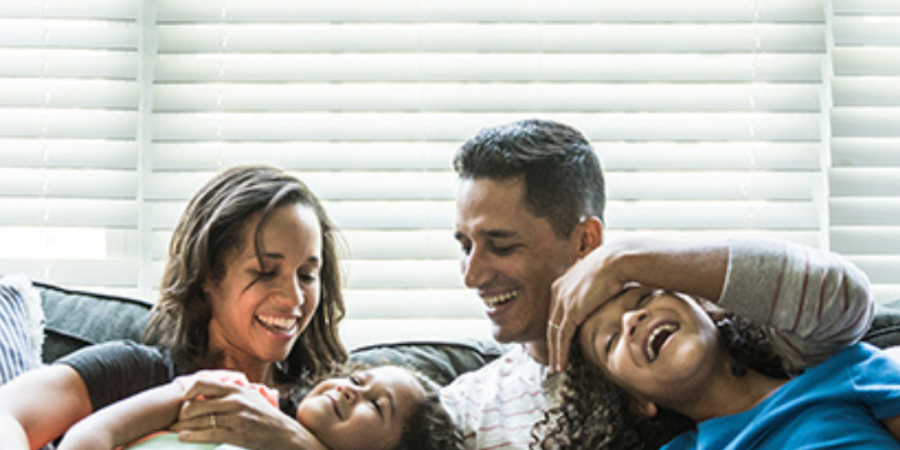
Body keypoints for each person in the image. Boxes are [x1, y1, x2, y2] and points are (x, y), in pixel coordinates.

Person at [439, 118, 875, 450]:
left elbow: (842, 301)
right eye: (465, 246)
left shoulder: (779, 355)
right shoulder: (466, 410)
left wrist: (626, 260)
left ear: (587, 241)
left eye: (501, 245)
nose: (473, 275)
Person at [0, 165, 348, 450]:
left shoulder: (326, 413)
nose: (293, 298)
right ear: (208, 274)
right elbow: (8, 413)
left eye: (306, 275)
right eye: (265, 272)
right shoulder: (137, 373)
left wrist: (295, 441)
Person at [537, 248, 895, 450]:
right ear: (636, 402)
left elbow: (839, 291)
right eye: (611, 340)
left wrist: (620, 261)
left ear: (705, 306)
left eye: (644, 296)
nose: (632, 319)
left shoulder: (841, 369)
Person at [56, 364, 462, 450]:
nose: (351, 391)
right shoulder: (230, 389)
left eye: (376, 406)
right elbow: (94, 433)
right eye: (357, 380)